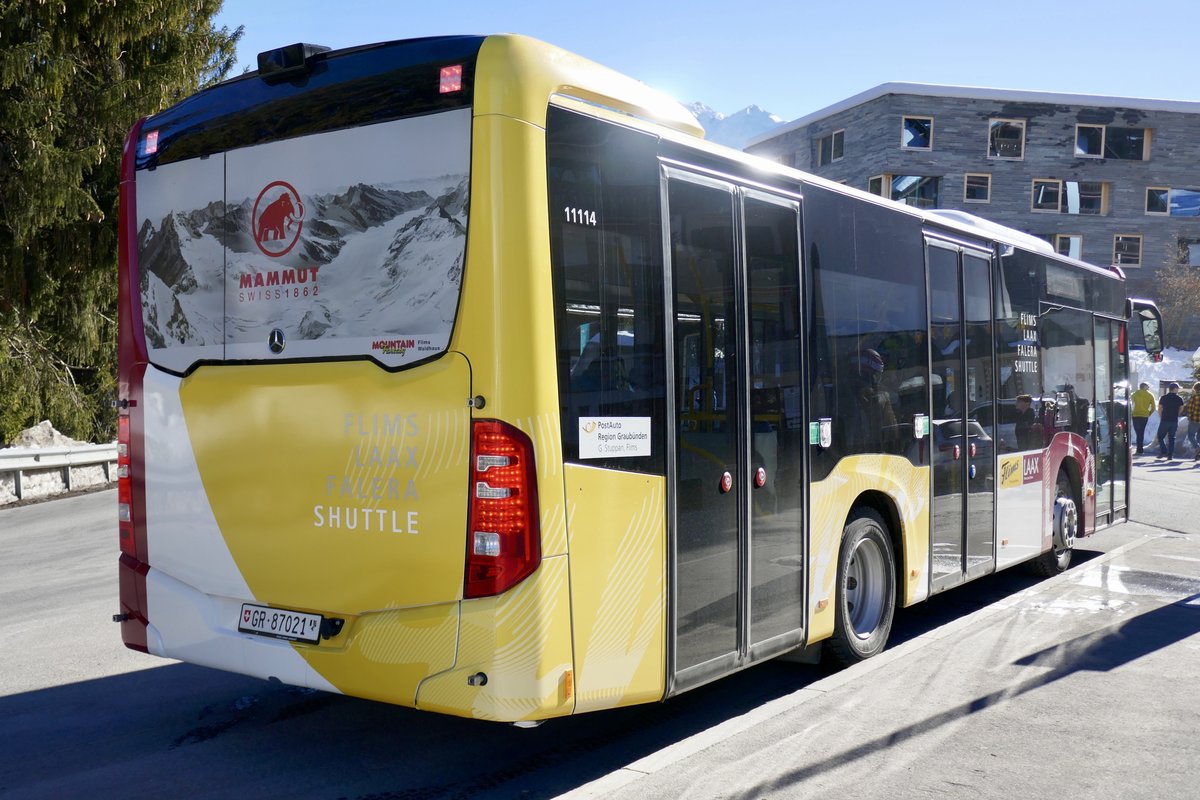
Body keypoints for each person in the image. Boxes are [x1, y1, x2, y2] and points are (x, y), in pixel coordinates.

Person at [1156, 382, 1185, 460]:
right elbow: (1182, 408)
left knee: (1160, 436)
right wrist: (1177, 414)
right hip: (1174, 421)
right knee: (1172, 438)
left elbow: (1160, 408)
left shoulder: (1163, 397)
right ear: (1174, 389)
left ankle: (1164, 450)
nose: (1178, 390)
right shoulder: (1179, 398)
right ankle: (1170, 455)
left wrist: (1161, 416)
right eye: (1177, 388)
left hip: (1165, 420)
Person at [1130, 381, 1155, 455]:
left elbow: (1130, 404)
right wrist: (1149, 413)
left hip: (1135, 415)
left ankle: (1139, 449)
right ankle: (1140, 450)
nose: (1148, 387)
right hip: (1144, 416)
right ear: (1144, 387)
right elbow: (1153, 407)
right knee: (1141, 432)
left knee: (1138, 432)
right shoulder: (1150, 395)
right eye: (1147, 386)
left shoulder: (1134, 394)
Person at [1185, 382, 1200, 459]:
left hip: (1194, 419)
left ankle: (1197, 447)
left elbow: (1190, 408)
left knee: (1191, 436)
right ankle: (1198, 454)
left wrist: (1189, 417)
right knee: (1199, 437)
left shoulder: (1194, 397)